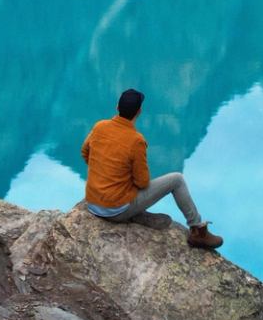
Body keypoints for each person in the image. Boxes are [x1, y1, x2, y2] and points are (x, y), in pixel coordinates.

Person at [80, 88, 223, 250]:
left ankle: (136, 215)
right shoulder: (136, 140)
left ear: (117, 107)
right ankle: (198, 230)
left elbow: (85, 152)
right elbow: (141, 182)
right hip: (115, 210)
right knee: (177, 179)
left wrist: (105, 173)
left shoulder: (99, 126)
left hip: (92, 203)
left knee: (128, 187)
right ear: (139, 112)